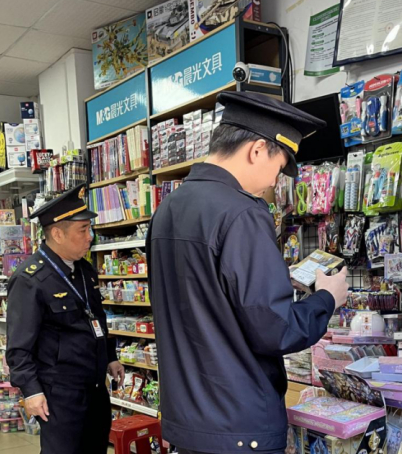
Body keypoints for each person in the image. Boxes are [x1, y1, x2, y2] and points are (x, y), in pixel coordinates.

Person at [147, 92, 349, 454]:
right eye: (279, 166)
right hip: (240, 424)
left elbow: (201, 301)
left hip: (188, 423)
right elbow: (278, 330)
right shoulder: (242, 212)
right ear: (257, 150)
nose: (274, 181)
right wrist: (326, 298)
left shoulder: (168, 208)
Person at [6, 184, 124, 454]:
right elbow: (18, 346)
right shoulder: (30, 280)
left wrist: (110, 356)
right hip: (60, 393)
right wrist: (31, 391)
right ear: (57, 234)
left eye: (89, 229)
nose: (90, 237)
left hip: (95, 386)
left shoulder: (84, 270)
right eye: (83, 230)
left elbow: (96, 317)